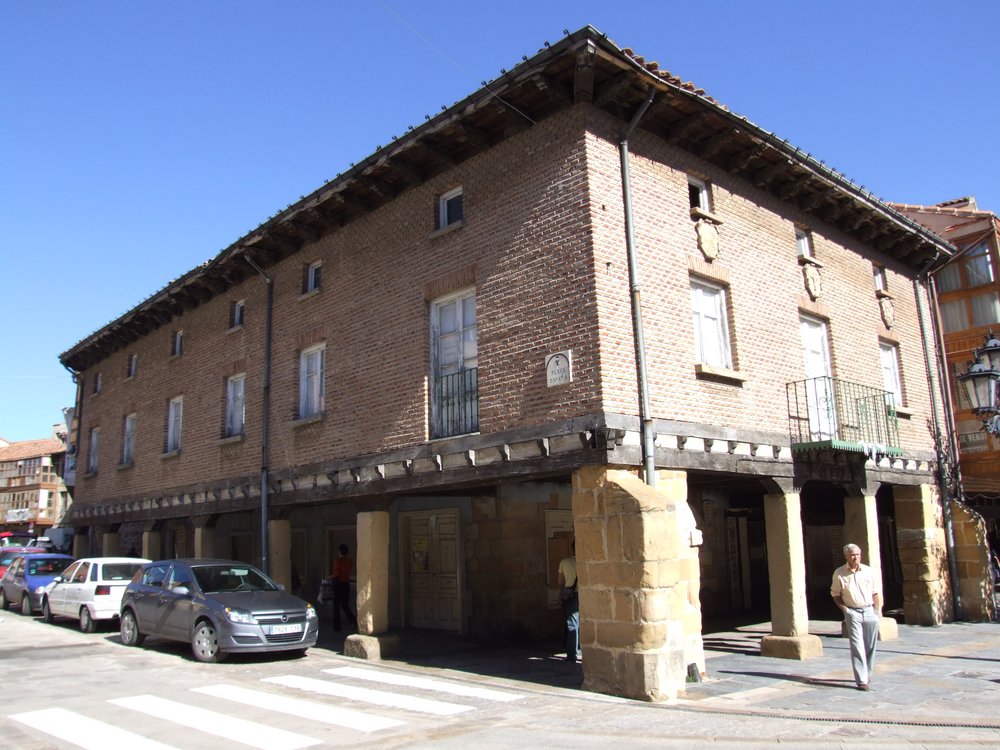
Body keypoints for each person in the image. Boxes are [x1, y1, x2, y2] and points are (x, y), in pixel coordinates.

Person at [831, 543, 882, 691]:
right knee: (857, 645)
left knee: (871, 645)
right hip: (853, 612)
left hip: (869, 610)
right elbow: (835, 593)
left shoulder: (868, 571)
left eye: (858, 554)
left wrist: (877, 610)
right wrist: (845, 610)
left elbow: (875, 592)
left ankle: (868, 672)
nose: (856, 557)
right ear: (846, 556)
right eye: (853, 555)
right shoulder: (839, 573)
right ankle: (861, 680)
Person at [558, 541, 579, 663]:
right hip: (586, 593)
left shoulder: (564, 562)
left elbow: (560, 581)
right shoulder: (585, 562)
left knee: (572, 623)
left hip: (571, 595)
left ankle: (572, 654)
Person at [330, 544, 356, 632]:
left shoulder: (338, 561)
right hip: (346, 584)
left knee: (336, 606)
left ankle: (336, 627)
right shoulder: (349, 561)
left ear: (339, 552)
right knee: (345, 605)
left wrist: (331, 577)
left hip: (338, 585)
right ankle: (353, 620)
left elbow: (337, 573)